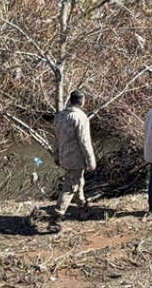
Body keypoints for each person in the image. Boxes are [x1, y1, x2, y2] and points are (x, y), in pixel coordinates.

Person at [51, 90, 96, 228]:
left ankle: (83, 209)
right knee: (70, 187)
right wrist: (91, 160)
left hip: (64, 155)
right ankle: (57, 216)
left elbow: (56, 138)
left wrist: (56, 155)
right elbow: (84, 142)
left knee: (77, 181)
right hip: (76, 158)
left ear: (70, 100)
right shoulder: (80, 117)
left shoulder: (59, 116)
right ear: (81, 101)